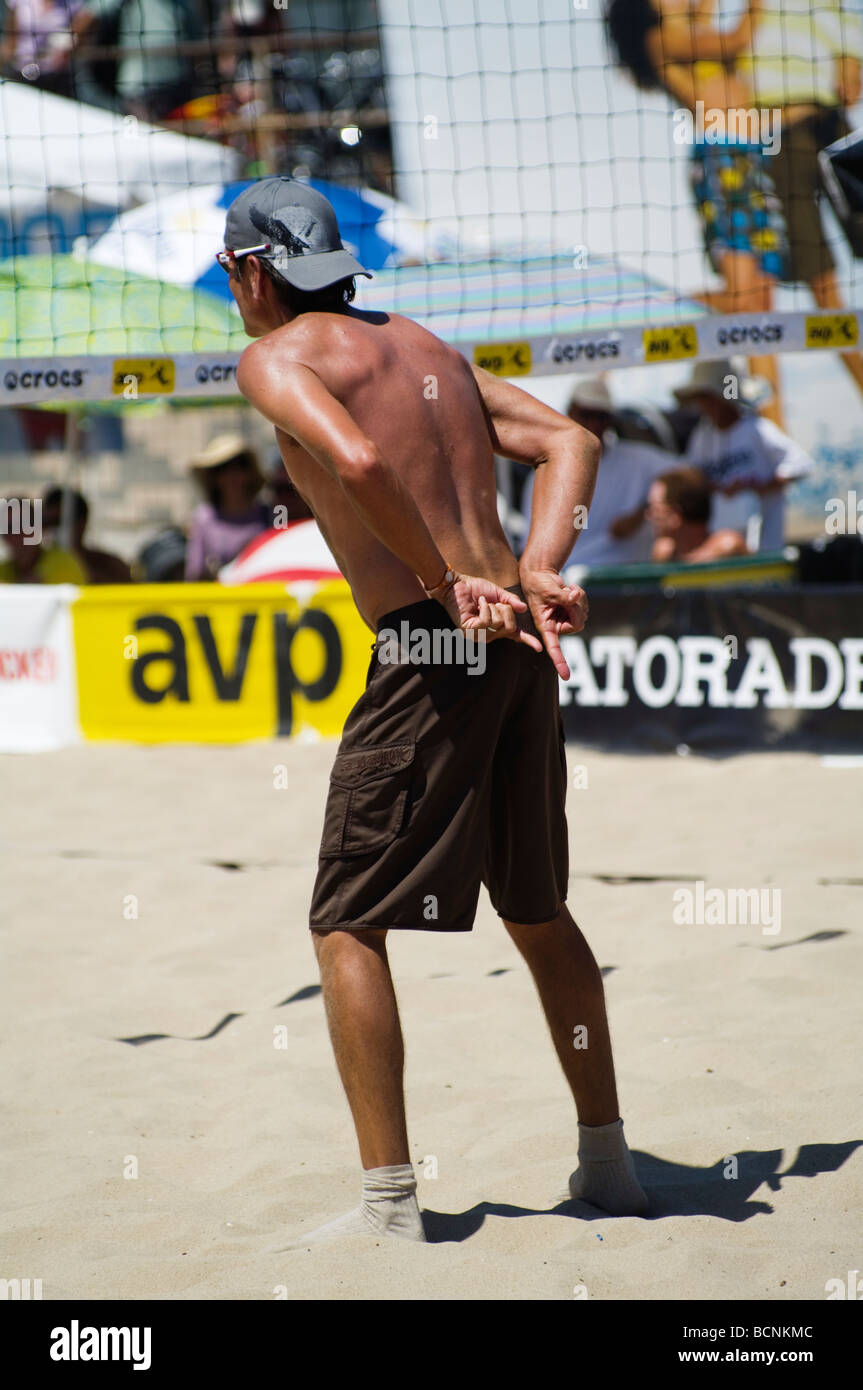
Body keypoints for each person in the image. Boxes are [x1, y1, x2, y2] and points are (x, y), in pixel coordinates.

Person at [221, 176, 648, 1246]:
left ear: (251, 271)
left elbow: (357, 459)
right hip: (515, 648)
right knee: (538, 911)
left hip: (431, 640)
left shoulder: (277, 357)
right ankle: (609, 1164)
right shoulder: (428, 350)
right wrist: (535, 566)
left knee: (345, 922)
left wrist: (440, 580)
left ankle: (389, 1208)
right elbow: (571, 443)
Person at [606, 0, 790, 422]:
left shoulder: (690, 27)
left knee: (761, 304)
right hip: (722, 157)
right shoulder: (664, 37)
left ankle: (777, 425)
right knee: (748, 303)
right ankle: (659, 311)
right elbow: (737, 38)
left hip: (749, 156)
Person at [740, 0, 863, 399]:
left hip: (831, 124)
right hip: (780, 138)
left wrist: (852, 56)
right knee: (821, 282)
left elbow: (844, 16)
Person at [521, 377, 674, 569]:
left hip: (624, 578)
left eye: (601, 416)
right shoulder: (543, 473)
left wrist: (644, 512)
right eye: (586, 414)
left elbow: (689, 476)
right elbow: (531, 543)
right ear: (570, 413)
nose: (593, 423)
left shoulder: (638, 459)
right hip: (569, 580)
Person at [674, 357, 813, 551]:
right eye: (700, 398)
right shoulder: (703, 436)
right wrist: (715, 488)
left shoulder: (756, 429)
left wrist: (759, 487)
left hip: (764, 544)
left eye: (707, 397)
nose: (704, 405)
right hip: (723, 545)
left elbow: (801, 464)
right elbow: (691, 477)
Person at [184, 433, 270, 580]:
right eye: (223, 469)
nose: (232, 475)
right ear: (214, 477)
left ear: (249, 473)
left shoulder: (272, 513)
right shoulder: (204, 518)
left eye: (239, 466)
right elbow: (195, 573)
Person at [647, 465, 748, 561]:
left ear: (675, 515)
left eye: (655, 509)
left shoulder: (728, 548)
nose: (648, 515)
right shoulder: (666, 553)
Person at [41, 486, 131, 583]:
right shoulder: (31, 567)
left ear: (82, 523)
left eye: (58, 522)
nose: (51, 529)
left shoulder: (110, 566)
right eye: (45, 522)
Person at [0, 496, 86, 582]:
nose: (17, 533)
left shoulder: (63, 563)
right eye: (9, 528)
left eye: (25, 524)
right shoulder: (4, 570)